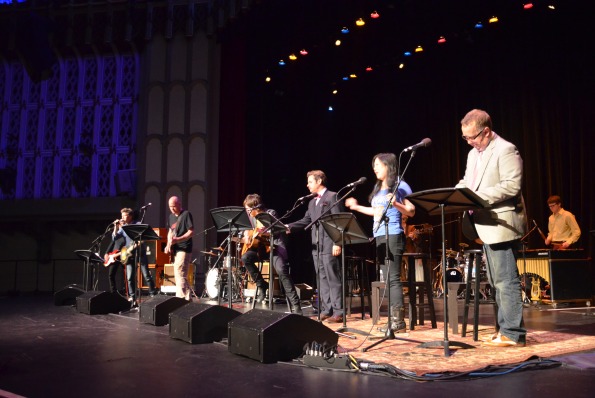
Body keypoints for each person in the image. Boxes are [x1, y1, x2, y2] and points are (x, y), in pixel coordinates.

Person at [456, 109, 527, 347]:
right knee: (497, 280)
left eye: (472, 137)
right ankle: (503, 329)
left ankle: (513, 332)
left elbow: (511, 186)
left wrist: (476, 197)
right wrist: (458, 191)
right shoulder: (473, 154)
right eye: (465, 137)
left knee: (506, 280)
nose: (469, 141)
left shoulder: (506, 149)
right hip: (484, 224)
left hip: (501, 223)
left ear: (486, 131)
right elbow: (469, 181)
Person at [345, 153, 415, 334]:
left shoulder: (400, 185)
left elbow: (411, 210)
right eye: (374, 165)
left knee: (393, 278)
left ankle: (398, 321)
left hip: (393, 234)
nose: (375, 168)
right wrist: (356, 207)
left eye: (378, 165)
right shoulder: (379, 189)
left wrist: (396, 204)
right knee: (387, 279)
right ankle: (392, 320)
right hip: (380, 236)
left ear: (388, 166)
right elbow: (377, 211)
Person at [287, 170, 344, 323]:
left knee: (333, 277)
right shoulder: (312, 202)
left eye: (310, 182)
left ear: (319, 181)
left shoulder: (332, 196)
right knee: (322, 278)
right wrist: (288, 226)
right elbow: (306, 220)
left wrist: (337, 242)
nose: (307, 185)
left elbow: (339, 221)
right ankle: (326, 309)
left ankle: (339, 311)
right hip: (316, 245)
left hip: (329, 243)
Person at [241, 193, 302, 314]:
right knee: (245, 258)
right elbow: (246, 229)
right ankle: (262, 284)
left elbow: (272, 230)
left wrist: (260, 232)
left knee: (281, 270)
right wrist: (246, 234)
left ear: (255, 207)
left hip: (274, 247)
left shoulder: (270, 213)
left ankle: (296, 304)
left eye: (248, 209)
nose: (247, 212)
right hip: (260, 249)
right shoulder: (251, 218)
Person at [111, 208, 159, 305]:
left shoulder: (137, 224)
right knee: (130, 277)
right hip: (129, 255)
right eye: (122, 216)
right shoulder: (123, 228)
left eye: (125, 216)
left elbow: (143, 239)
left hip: (140, 253)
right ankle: (133, 298)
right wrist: (116, 227)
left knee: (146, 275)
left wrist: (134, 246)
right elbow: (114, 238)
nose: (123, 218)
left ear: (130, 216)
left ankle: (153, 295)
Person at [164, 196, 194, 301]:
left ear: (179, 205)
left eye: (174, 206)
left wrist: (178, 239)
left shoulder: (186, 215)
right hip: (175, 249)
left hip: (184, 247)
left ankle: (181, 298)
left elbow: (191, 232)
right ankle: (186, 297)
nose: (172, 209)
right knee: (178, 274)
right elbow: (170, 232)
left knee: (180, 271)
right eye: (170, 207)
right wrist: (168, 245)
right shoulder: (171, 217)